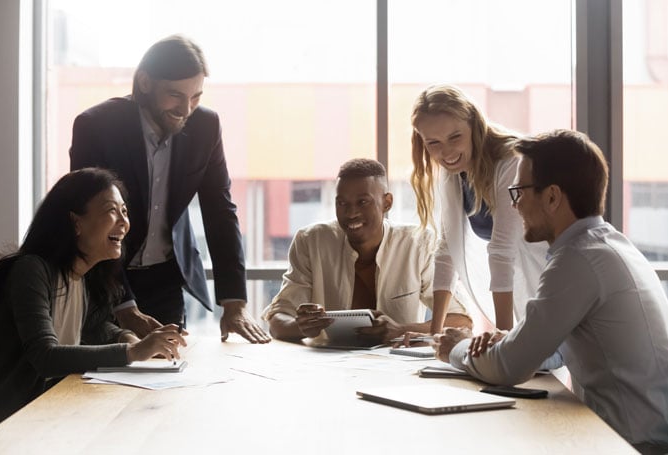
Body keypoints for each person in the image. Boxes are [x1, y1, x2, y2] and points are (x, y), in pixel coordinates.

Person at [436, 130, 668, 453]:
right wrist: (513, 340)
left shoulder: (577, 260)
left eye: (518, 193)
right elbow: (558, 349)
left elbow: (510, 368)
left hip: (632, 444)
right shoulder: (606, 243)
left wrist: (457, 348)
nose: (514, 205)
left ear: (552, 197)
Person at [70, 35, 269, 343]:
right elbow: (90, 221)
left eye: (196, 97)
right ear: (145, 82)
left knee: (167, 376)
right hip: (104, 273)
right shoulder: (96, 126)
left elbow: (220, 210)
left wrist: (234, 303)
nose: (186, 109)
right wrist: (124, 305)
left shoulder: (206, 126)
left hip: (165, 276)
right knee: (102, 378)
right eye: (175, 95)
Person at [0, 168, 187, 436]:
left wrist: (131, 338)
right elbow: (45, 356)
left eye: (125, 211)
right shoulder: (31, 270)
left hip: (43, 415)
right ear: (76, 222)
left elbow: (97, 328)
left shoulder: (85, 275)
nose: (124, 222)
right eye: (112, 210)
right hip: (0, 424)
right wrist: (133, 353)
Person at [261, 158, 472, 344]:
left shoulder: (419, 243)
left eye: (363, 202)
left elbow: (461, 322)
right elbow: (278, 320)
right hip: (327, 369)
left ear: (386, 202)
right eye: (342, 203)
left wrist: (400, 330)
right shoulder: (310, 241)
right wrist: (301, 327)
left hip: (395, 371)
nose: (351, 213)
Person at [410, 84, 548, 333]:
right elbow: (447, 250)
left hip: (550, 280)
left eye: (455, 137)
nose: (446, 152)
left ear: (474, 125)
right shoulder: (453, 172)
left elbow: (502, 251)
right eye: (433, 143)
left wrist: (503, 341)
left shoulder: (511, 162)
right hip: (520, 287)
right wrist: (435, 334)